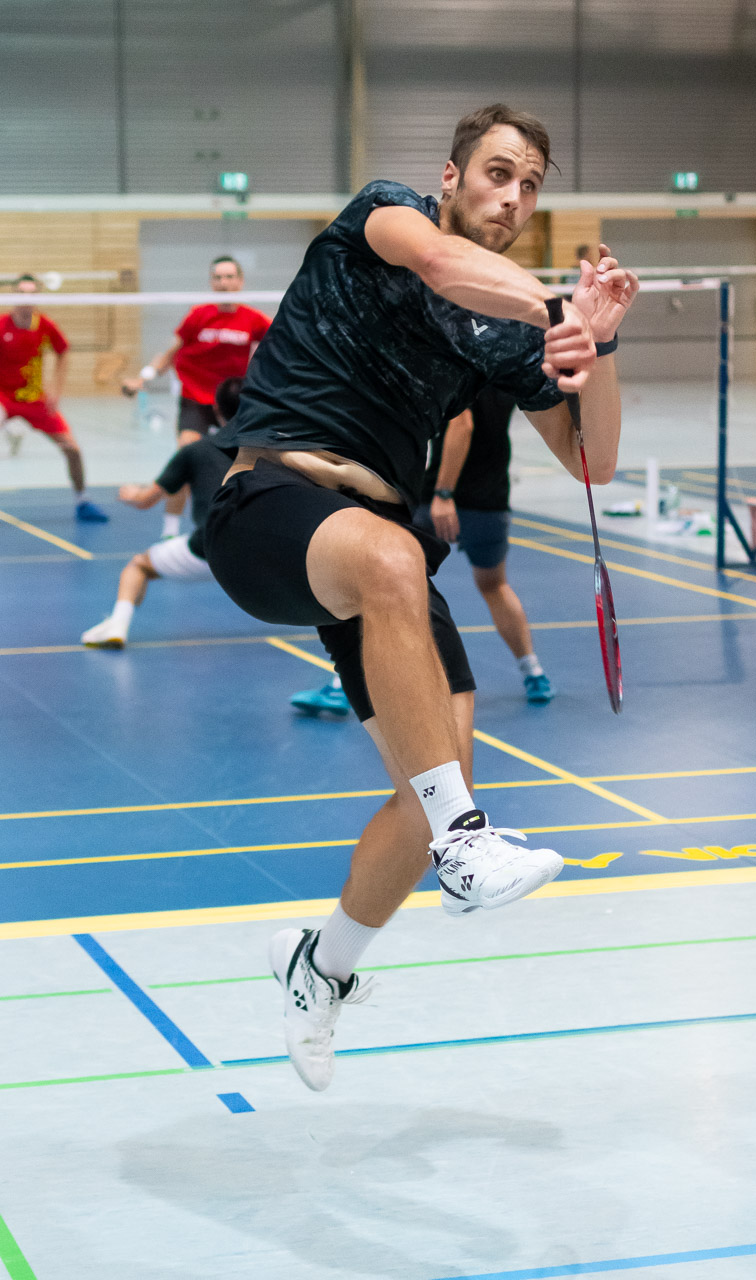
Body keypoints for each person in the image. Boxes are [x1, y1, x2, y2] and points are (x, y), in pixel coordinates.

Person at [206, 103, 638, 1091]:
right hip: (272, 503)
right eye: (497, 172)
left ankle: (321, 966)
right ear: (451, 177)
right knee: (400, 575)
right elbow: (442, 266)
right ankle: (468, 846)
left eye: (530, 185)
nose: (513, 195)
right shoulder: (386, 214)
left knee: (432, 779)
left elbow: (594, 461)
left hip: (373, 550)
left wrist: (598, 346)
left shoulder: (510, 332)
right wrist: (559, 308)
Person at [415, 386, 554, 703]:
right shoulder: (504, 372)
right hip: (491, 499)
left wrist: (444, 494)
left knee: (388, 588)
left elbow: (462, 424)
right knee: (494, 585)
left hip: (439, 501)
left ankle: (342, 686)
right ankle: (534, 673)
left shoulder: (456, 371)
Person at [80, 378, 242, 648]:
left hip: (208, 548)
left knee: (138, 566)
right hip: (260, 548)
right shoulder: (271, 449)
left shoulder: (195, 451)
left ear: (215, 409)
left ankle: (117, 625)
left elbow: (145, 500)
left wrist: (131, 493)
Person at [121, 257, 270, 537]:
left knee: (247, 463)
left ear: (240, 282)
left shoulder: (254, 319)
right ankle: (170, 531)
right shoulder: (197, 315)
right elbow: (170, 352)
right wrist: (144, 377)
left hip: (231, 402)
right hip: (195, 399)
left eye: (229, 277)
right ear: (211, 283)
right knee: (187, 454)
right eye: (218, 278)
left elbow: (279, 347)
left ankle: (244, 522)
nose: (224, 283)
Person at [0, 275, 108, 521]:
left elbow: (63, 351)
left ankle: (83, 502)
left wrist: (56, 389)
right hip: (3, 397)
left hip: (35, 400)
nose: (26, 299)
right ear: (13, 296)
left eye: (31, 294)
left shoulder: (45, 325)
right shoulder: (2, 325)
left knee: (72, 449)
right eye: (21, 293)